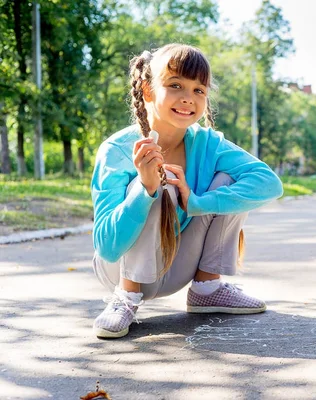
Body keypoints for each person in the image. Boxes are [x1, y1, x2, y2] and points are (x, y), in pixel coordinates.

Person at [91, 43, 283, 338]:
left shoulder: (208, 143)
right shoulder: (116, 150)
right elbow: (107, 247)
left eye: (198, 90)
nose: (187, 98)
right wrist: (145, 189)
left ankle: (208, 289)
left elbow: (269, 183)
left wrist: (196, 202)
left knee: (229, 182)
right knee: (159, 179)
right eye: (175, 85)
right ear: (148, 90)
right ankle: (125, 298)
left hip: (176, 266)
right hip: (120, 269)